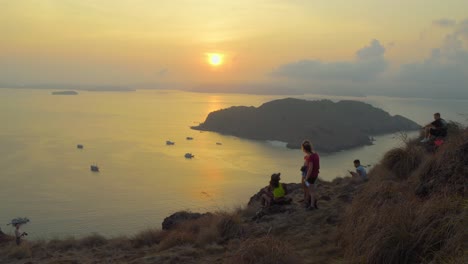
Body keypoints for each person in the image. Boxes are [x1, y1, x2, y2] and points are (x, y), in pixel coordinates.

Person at [301, 140, 320, 210]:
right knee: (310, 189)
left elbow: (310, 169)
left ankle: (312, 205)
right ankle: (310, 202)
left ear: (305, 149)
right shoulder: (316, 154)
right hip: (315, 175)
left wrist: (306, 177)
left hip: (311, 176)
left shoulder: (310, 157)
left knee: (311, 191)